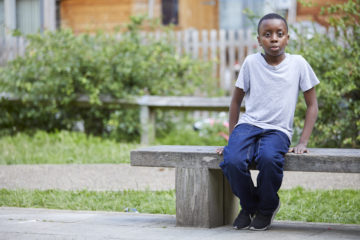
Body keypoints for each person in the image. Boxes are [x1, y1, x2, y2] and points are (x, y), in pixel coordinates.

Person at [217, 13, 319, 231]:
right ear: (259, 40)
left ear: (287, 38)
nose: (274, 38)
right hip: (249, 125)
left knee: (268, 158)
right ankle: (250, 206)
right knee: (232, 160)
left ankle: (266, 208)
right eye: (267, 34)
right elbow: (235, 102)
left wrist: (303, 142)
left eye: (279, 34)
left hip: (278, 130)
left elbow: (312, 105)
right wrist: (232, 139)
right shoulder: (251, 63)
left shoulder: (298, 64)